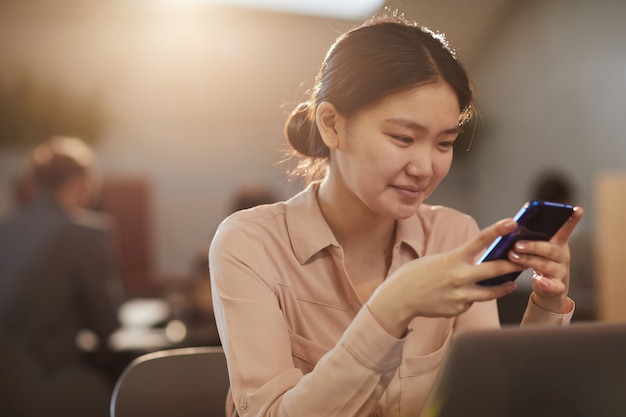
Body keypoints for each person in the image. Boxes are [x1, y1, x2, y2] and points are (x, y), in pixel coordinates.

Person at [209, 13, 583, 417]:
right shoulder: (250, 244)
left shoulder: (454, 233)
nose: (424, 167)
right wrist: (390, 308)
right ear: (332, 126)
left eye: (444, 143)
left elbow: (490, 399)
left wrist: (546, 306)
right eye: (403, 138)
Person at [0, 136, 125, 416]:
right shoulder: (88, 233)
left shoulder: (4, 229)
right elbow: (108, 324)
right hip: (57, 387)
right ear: (80, 182)